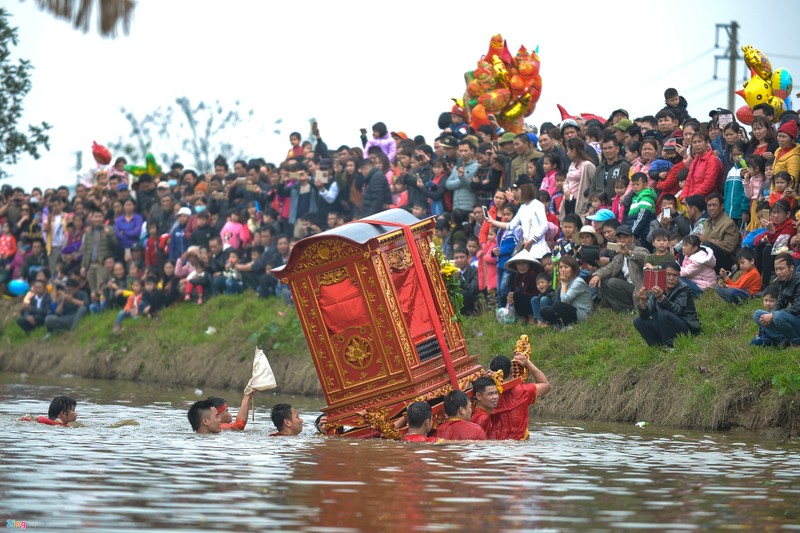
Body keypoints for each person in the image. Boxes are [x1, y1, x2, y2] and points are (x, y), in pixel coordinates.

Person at [634, 261, 700, 348]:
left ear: (679, 276)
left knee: (663, 314)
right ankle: (657, 346)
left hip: (686, 326)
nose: (671, 278)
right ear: (663, 275)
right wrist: (642, 301)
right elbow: (645, 315)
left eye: (675, 275)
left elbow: (677, 310)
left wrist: (661, 297)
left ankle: (670, 346)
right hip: (667, 326)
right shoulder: (658, 286)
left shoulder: (684, 288)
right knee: (638, 321)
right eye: (668, 274)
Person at [488, 353, 551, 440]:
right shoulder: (523, 391)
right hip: (518, 445)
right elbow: (546, 385)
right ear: (511, 371)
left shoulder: (487, 395)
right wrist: (527, 363)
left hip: (493, 444)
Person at [589, 224, 648, 312]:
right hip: (628, 287)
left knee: (613, 282)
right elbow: (610, 267)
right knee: (603, 282)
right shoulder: (619, 256)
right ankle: (624, 309)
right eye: (619, 238)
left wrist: (628, 253)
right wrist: (597, 275)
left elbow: (644, 257)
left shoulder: (640, 250)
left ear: (632, 238)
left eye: (625, 237)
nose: (622, 240)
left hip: (640, 287)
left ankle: (632, 308)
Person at [753, 253, 800, 348]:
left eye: (781, 269)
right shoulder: (782, 281)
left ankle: (795, 341)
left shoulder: (798, 282)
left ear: (791, 268)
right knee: (758, 314)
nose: (778, 272)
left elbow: (797, 308)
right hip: (792, 318)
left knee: (778, 316)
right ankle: (781, 339)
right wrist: (771, 314)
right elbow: (780, 303)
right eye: (776, 269)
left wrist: (773, 315)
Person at [539, 254, 593, 328]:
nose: (562, 270)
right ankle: (559, 324)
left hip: (582, 313)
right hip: (569, 309)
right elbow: (559, 299)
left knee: (557, 305)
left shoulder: (578, 282)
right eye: (560, 267)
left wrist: (563, 283)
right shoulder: (565, 281)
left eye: (566, 267)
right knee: (544, 310)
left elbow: (564, 300)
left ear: (573, 269)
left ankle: (568, 325)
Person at [754, 200, 795, 286]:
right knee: (759, 247)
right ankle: (755, 281)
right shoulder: (775, 224)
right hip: (775, 251)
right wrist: (762, 240)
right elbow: (756, 240)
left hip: (788, 253)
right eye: (773, 213)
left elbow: (780, 244)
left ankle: (765, 284)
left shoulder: (791, 225)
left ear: (787, 214)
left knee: (767, 249)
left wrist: (772, 232)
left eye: (779, 213)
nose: (776, 216)